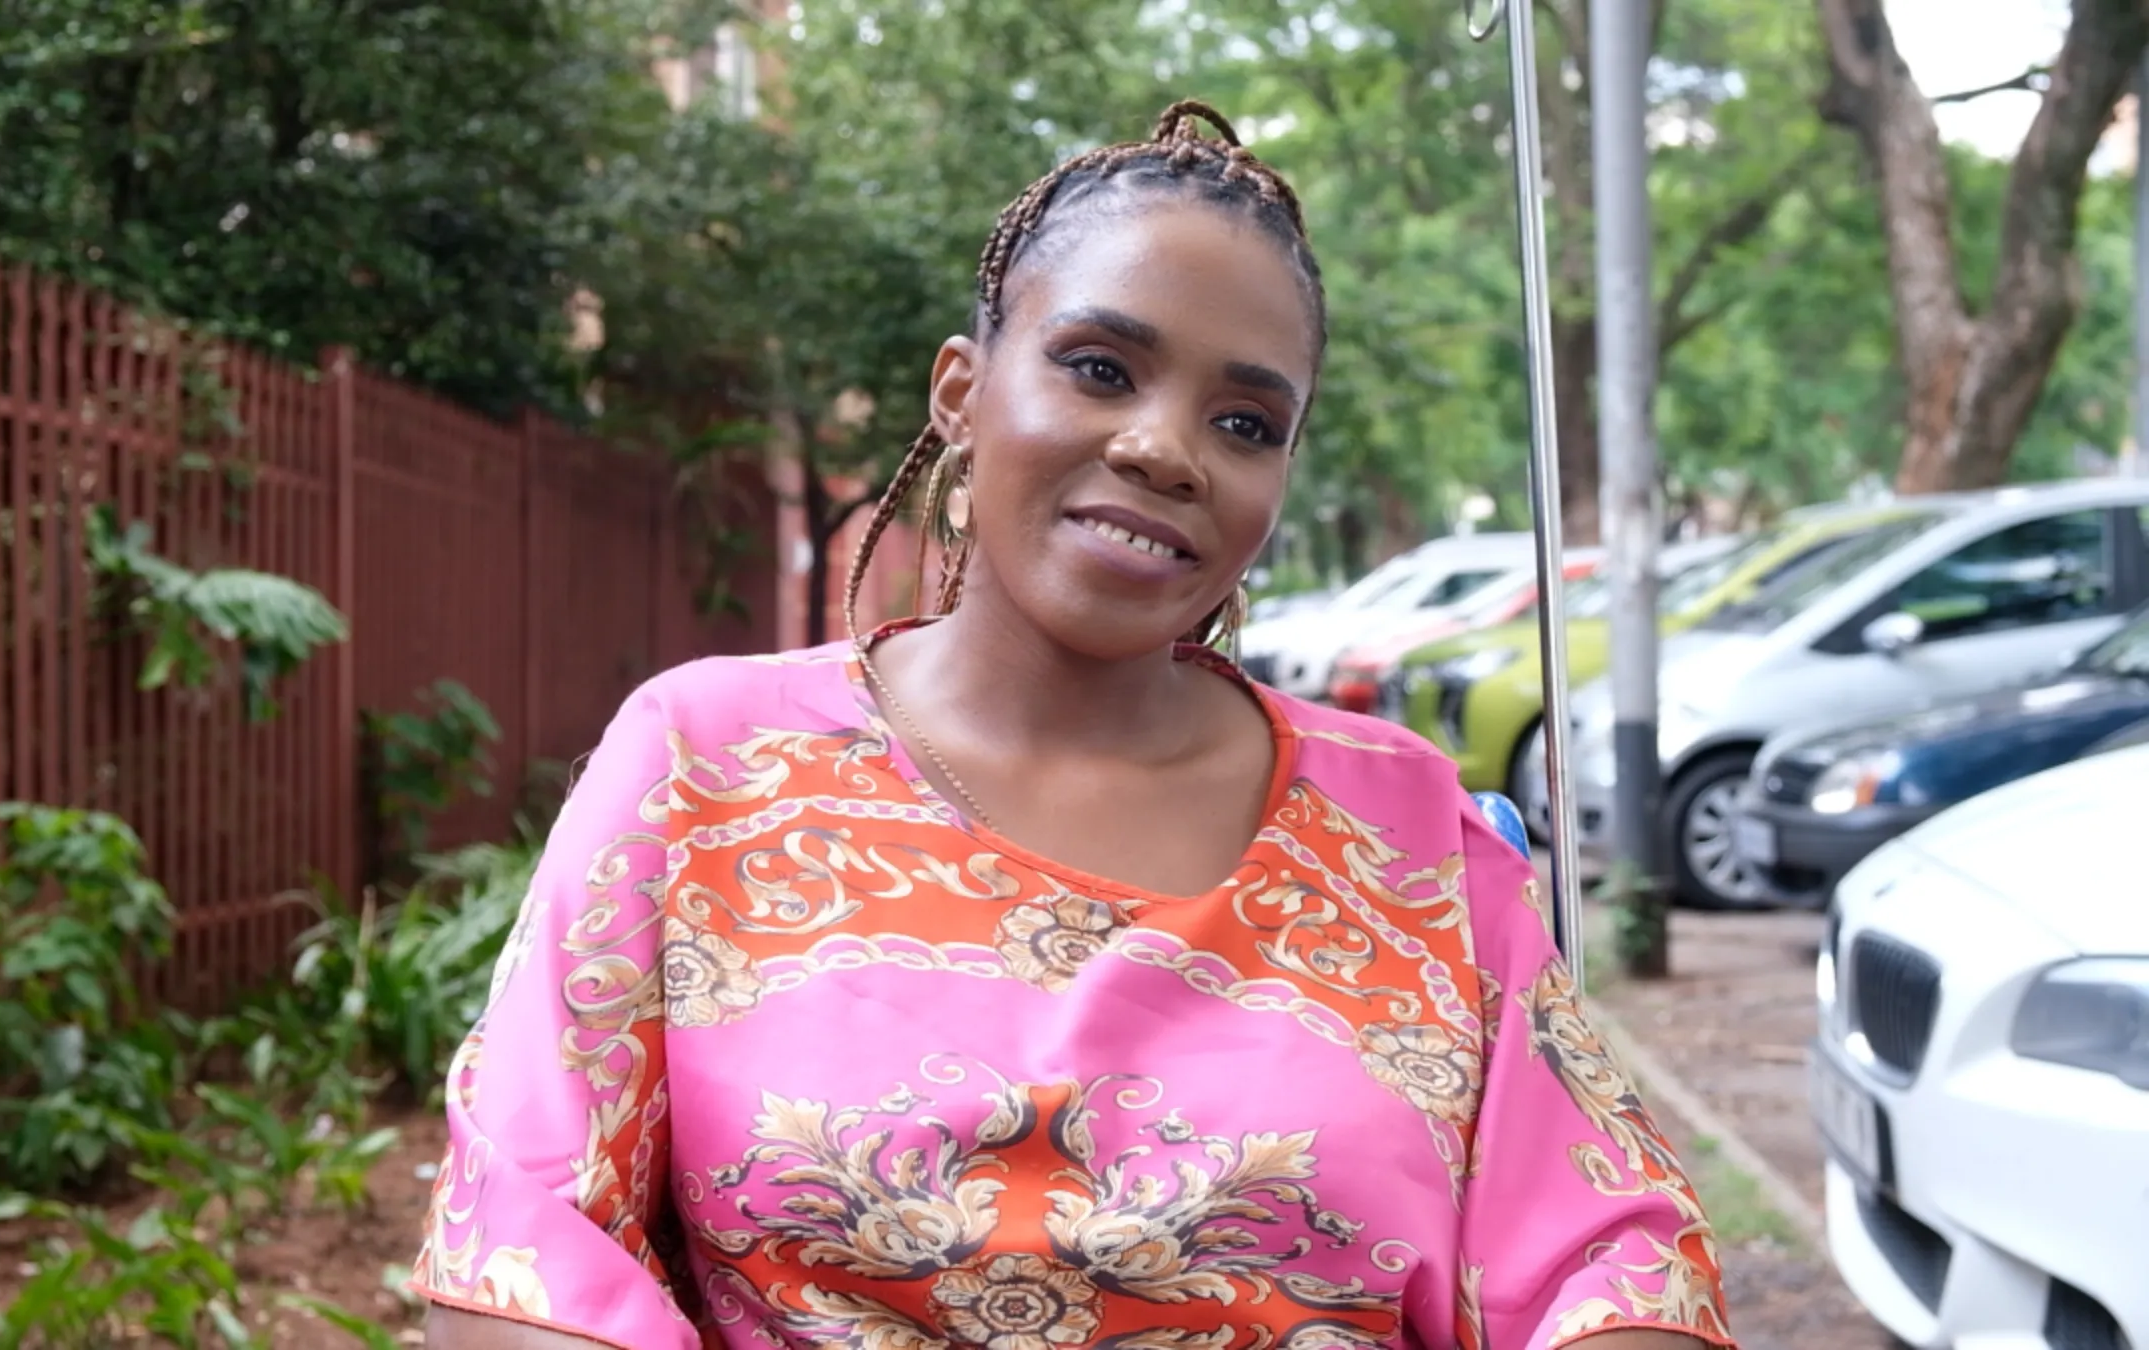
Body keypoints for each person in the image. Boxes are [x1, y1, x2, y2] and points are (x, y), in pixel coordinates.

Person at [411, 101, 1733, 1350]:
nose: (1168, 448)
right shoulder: (703, 763)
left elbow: (1616, 1264)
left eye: (1245, 420)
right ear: (959, 393)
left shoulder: (1409, 832)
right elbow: (522, 1242)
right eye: (1101, 366)